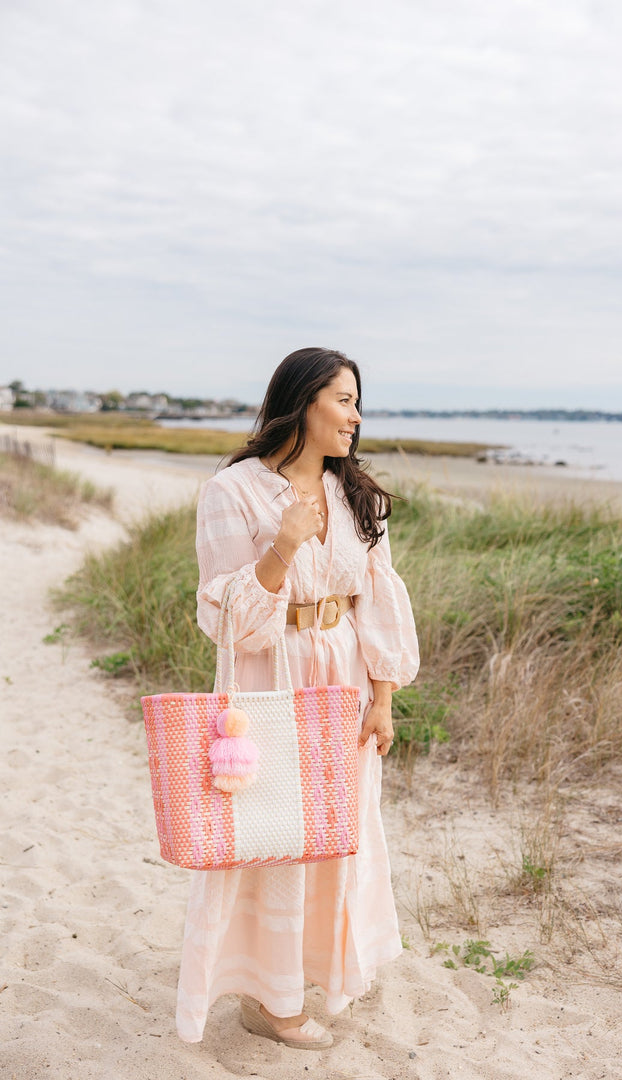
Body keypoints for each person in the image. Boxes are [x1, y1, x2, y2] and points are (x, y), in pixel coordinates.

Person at [176, 347, 419, 1049]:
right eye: (343, 399)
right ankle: (271, 1001)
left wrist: (385, 696)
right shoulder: (235, 491)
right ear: (304, 401)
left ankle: (314, 974)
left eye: (356, 401)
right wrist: (281, 548)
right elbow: (225, 620)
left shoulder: (356, 495)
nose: (356, 416)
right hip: (270, 680)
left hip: (342, 682)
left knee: (337, 836)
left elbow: (377, 599)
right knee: (272, 838)